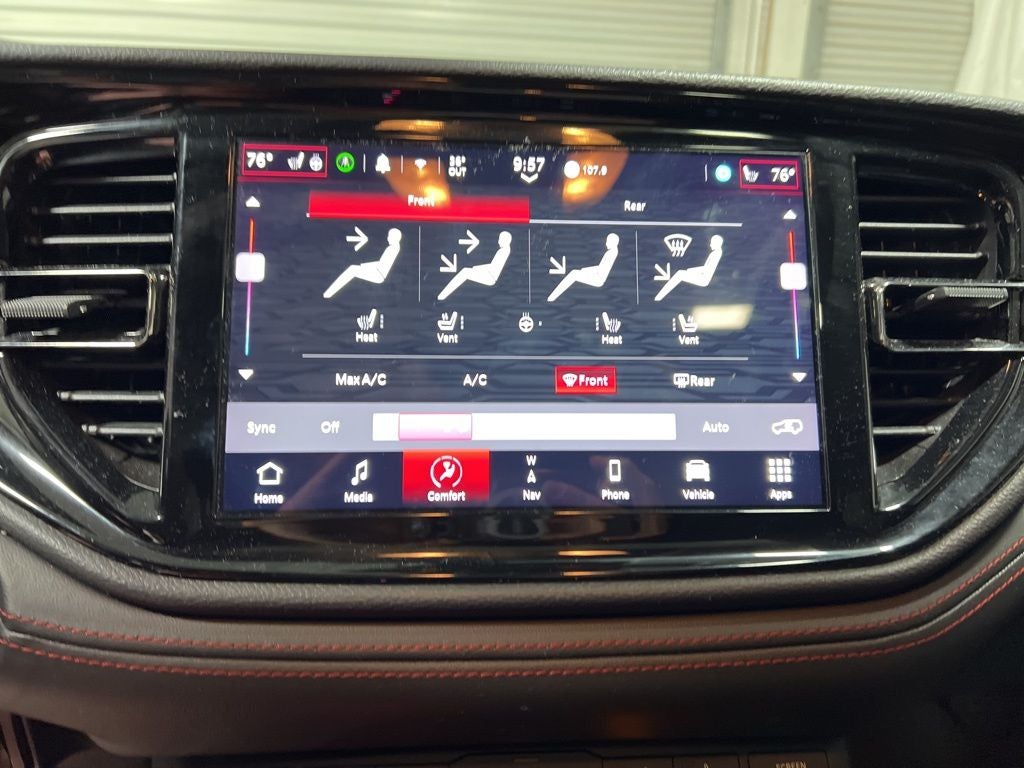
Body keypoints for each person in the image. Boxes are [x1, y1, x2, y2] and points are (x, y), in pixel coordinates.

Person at [323, 228, 401, 299]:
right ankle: (329, 293)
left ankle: (328, 294)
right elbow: (381, 263)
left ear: (395, 237)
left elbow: (381, 265)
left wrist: (365, 266)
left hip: (378, 274)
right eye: (388, 236)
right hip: (378, 272)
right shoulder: (394, 248)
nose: (388, 238)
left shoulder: (391, 248)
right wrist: (364, 266)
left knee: (352, 270)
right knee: (353, 268)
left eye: (390, 236)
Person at [437, 231, 512, 300]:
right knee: (465, 271)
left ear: (506, 240)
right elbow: (492, 266)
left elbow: (493, 267)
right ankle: (443, 295)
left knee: (464, 272)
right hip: (489, 275)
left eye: (500, 239)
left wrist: (477, 268)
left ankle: (442, 296)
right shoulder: (505, 250)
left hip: (490, 277)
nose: (498, 241)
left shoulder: (502, 251)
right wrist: (476, 268)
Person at [547, 232, 619, 302]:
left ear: (613, 242)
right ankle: (552, 297)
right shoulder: (612, 252)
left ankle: (552, 297)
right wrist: (585, 270)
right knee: (574, 272)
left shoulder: (610, 253)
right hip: (597, 276)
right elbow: (600, 267)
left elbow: (601, 270)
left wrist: (586, 271)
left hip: (598, 279)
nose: (606, 243)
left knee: (573, 274)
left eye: (608, 241)